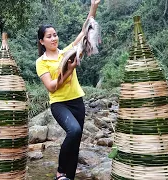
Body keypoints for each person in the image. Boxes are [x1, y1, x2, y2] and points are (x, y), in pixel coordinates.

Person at [35, 1, 100, 180]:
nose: (54, 38)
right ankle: (61, 171)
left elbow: (84, 31)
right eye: (49, 36)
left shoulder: (66, 53)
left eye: (55, 35)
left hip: (77, 101)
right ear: (42, 41)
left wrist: (93, 8)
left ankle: (68, 177)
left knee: (75, 143)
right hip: (59, 103)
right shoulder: (41, 62)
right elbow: (51, 86)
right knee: (74, 131)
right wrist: (70, 70)